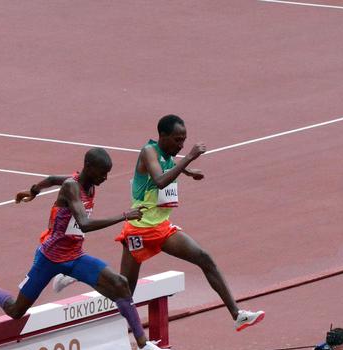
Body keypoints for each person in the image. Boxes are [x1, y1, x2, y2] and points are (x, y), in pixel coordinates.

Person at [0, 147, 172, 350]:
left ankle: (143, 345)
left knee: (120, 284)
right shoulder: (72, 187)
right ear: (88, 167)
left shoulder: (86, 182)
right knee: (16, 311)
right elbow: (85, 224)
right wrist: (125, 216)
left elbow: (51, 179)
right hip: (49, 259)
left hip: (75, 256)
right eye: (102, 173)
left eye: (107, 173)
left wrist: (32, 190)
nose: (105, 178)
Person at [54, 115, 264, 331]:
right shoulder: (149, 151)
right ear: (162, 136)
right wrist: (190, 157)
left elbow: (169, 163)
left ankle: (237, 314)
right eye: (177, 140)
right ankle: (77, 273)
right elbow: (160, 180)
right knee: (124, 289)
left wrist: (188, 171)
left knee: (204, 258)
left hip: (161, 227)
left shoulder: (166, 153)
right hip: (140, 228)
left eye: (184, 140)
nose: (181, 144)